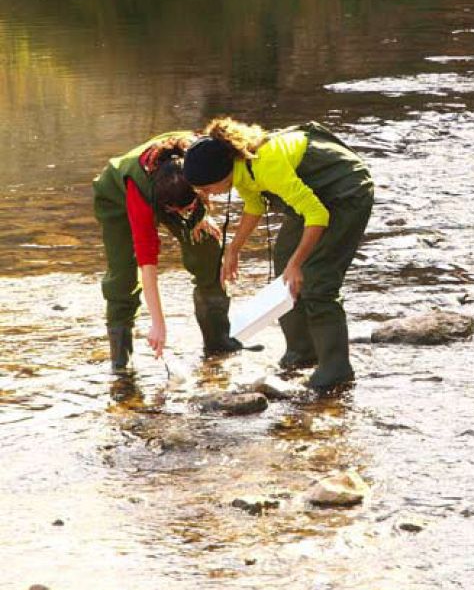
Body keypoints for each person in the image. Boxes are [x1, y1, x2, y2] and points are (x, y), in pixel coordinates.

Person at [183, 118, 373, 391]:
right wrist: (233, 250)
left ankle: (335, 369)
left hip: (346, 191)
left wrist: (298, 264)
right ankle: (302, 351)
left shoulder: (264, 164)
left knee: (318, 278)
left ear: (220, 175)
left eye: (206, 188)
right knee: (284, 261)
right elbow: (254, 204)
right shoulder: (239, 167)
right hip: (313, 195)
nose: (204, 194)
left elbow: (317, 215)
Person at [93, 132, 244, 372]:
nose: (185, 213)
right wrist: (158, 323)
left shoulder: (198, 157)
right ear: (166, 207)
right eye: (180, 210)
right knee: (122, 278)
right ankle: (121, 364)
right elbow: (147, 263)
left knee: (207, 248)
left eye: (189, 207)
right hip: (117, 198)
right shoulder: (141, 197)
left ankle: (218, 344)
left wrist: (201, 215)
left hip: (178, 188)